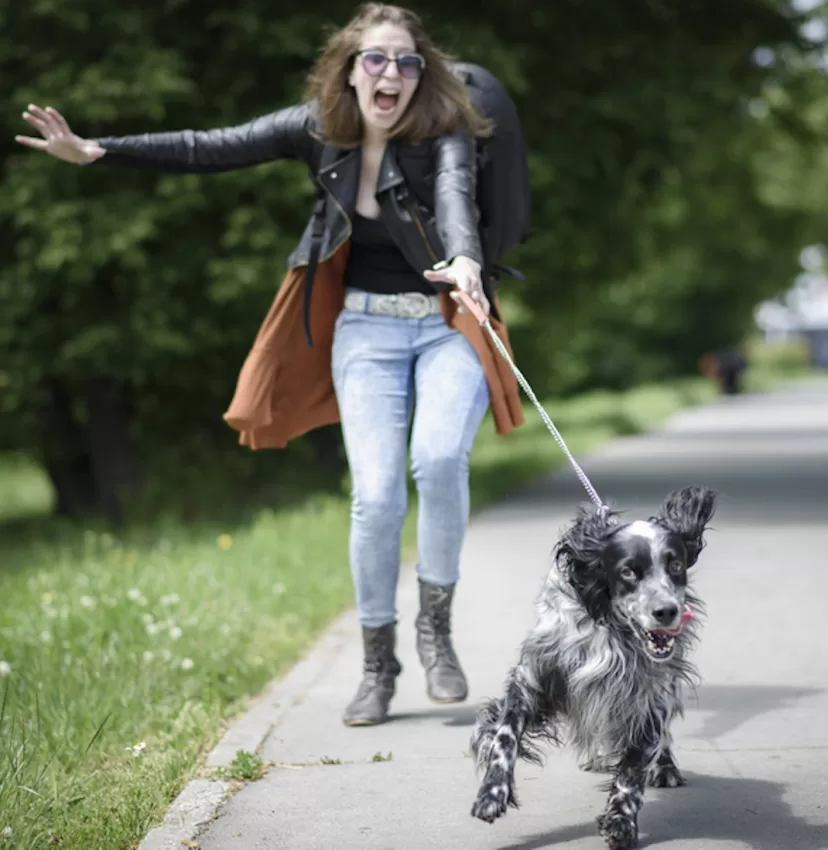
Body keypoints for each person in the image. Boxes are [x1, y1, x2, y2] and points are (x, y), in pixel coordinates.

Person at [15, 2, 525, 726]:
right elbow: (208, 145)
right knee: (376, 496)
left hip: (446, 324)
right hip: (366, 330)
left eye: (406, 62)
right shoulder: (314, 128)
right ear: (350, 70)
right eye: (376, 59)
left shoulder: (443, 131)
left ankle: (434, 630)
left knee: (440, 462)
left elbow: (455, 195)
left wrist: (467, 257)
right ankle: (378, 664)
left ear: (422, 75)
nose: (392, 74)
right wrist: (98, 150)